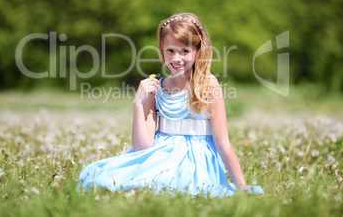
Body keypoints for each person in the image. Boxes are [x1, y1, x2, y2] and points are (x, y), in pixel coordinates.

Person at [78, 12, 264, 197]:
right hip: (161, 157)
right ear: (162, 49)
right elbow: (143, 149)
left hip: (197, 161)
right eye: (171, 51)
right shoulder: (157, 88)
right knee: (142, 185)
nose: (177, 58)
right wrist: (137, 105)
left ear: (198, 50)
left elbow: (223, 144)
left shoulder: (209, 84)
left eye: (185, 51)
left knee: (183, 189)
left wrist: (243, 189)